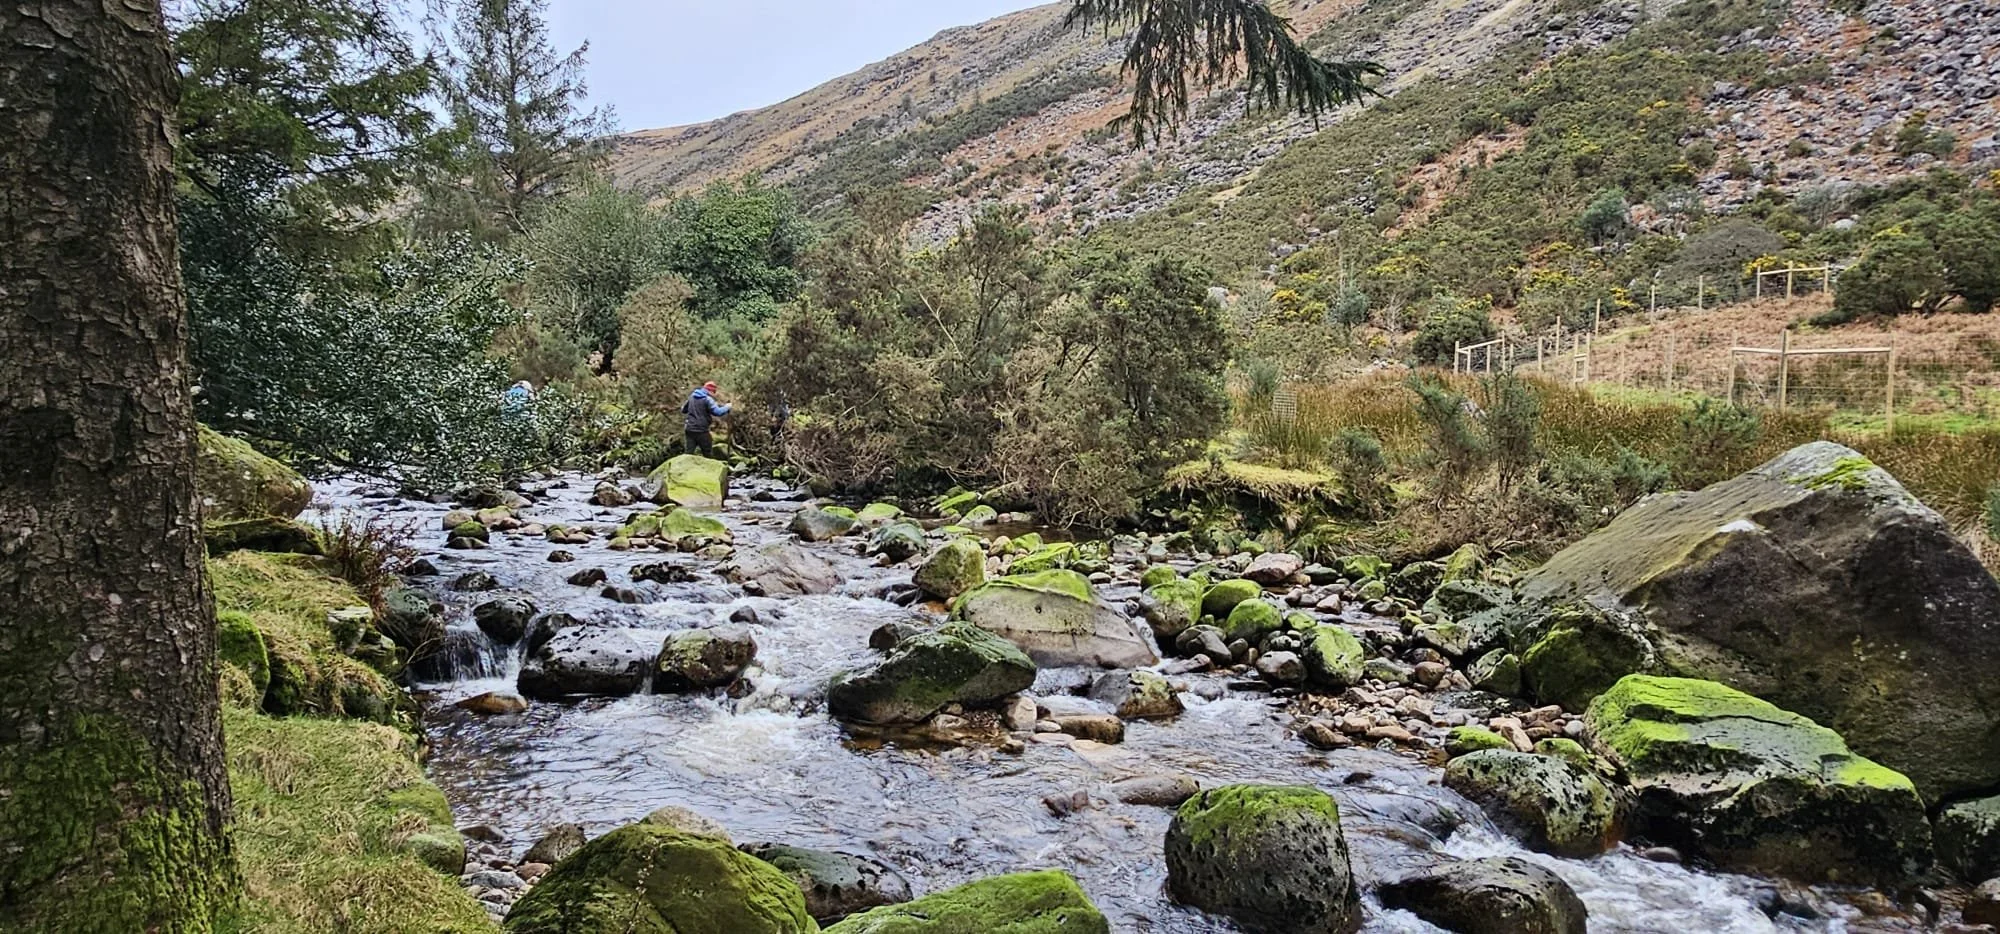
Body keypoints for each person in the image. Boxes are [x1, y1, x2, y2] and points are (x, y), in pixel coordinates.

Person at [682, 380, 731, 457]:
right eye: (713, 392)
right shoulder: (707, 399)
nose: (713, 395)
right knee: (708, 453)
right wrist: (727, 407)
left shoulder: (692, 396)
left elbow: (683, 410)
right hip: (701, 430)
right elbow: (718, 412)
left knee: (688, 453)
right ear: (710, 390)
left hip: (689, 429)